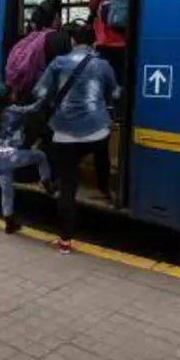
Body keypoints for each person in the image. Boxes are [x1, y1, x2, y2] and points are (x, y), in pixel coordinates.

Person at [33, 25, 120, 254]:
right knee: (102, 145)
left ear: (72, 41)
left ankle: (65, 241)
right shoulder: (103, 65)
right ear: (94, 42)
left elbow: (40, 93)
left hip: (65, 133)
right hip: (96, 131)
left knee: (68, 185)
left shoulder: (58, 63)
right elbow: (116, 93)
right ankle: (104, 188)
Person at [0, 83, 56, 234]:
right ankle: (47, 184)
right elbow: (33, 109)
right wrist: (43, 98)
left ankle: (9, 223)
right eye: (11, 93)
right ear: (6, 98)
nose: (14, 95)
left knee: (7, 191)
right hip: (12, 156)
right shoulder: (13, 110)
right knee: (41, 156)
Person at [5, 0, 60, 102]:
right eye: (57, 18)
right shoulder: (53, 39)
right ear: (54, 19)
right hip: (38, 95)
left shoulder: (24, 42)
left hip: (19, 92)